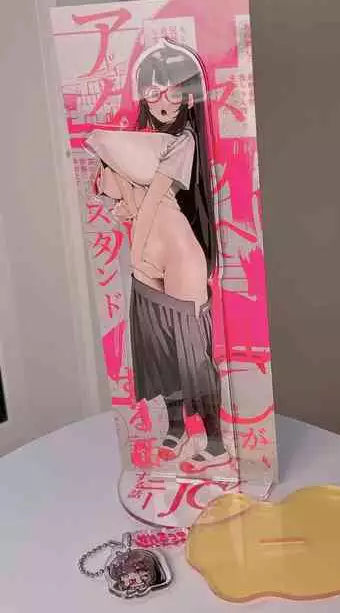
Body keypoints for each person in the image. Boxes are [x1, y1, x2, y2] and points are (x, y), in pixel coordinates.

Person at [87, 39, 230, 474]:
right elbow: (121, 201)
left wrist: (136, 253)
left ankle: (216, 441)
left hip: (176, 253)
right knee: (158, 347)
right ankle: (176, 427)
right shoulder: (136, 143)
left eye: (174, 91)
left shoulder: (184, 141)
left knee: (191, 349)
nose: (164, 101)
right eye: (153, 91)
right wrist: (106, 184)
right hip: (148, 254)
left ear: (188, 97)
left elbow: (152, 200)